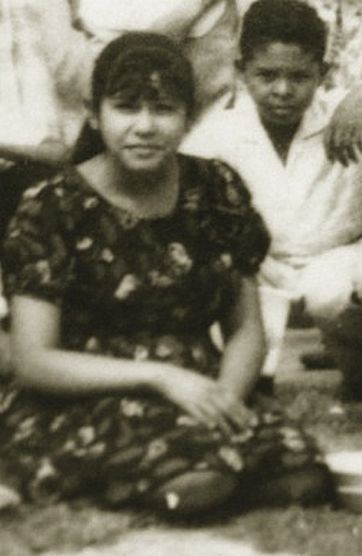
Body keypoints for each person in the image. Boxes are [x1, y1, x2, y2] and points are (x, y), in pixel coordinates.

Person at [0, 32, 330, 516]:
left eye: (163, 109)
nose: (145, 126)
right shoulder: (52, 208)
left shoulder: (217, 190)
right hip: (90, 393)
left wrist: (224, 402)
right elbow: (34, 360)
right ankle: (170, 480)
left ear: (188, 117)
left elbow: (246, 332)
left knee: (305, 474)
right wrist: (160, 378)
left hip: (200, 388)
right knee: (198, 481)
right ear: (96, 114)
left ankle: (183, 475)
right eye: (126, 108)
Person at [181, 0, 362, 400]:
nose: (282, 91)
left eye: (299, 77)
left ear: (323, 73)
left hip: (337, 259)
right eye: (267, 76)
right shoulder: (214, 136)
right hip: (262, 266)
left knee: (330, 290)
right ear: (240, 71)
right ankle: (246, 371)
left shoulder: (348, 114)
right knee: (220, 273)